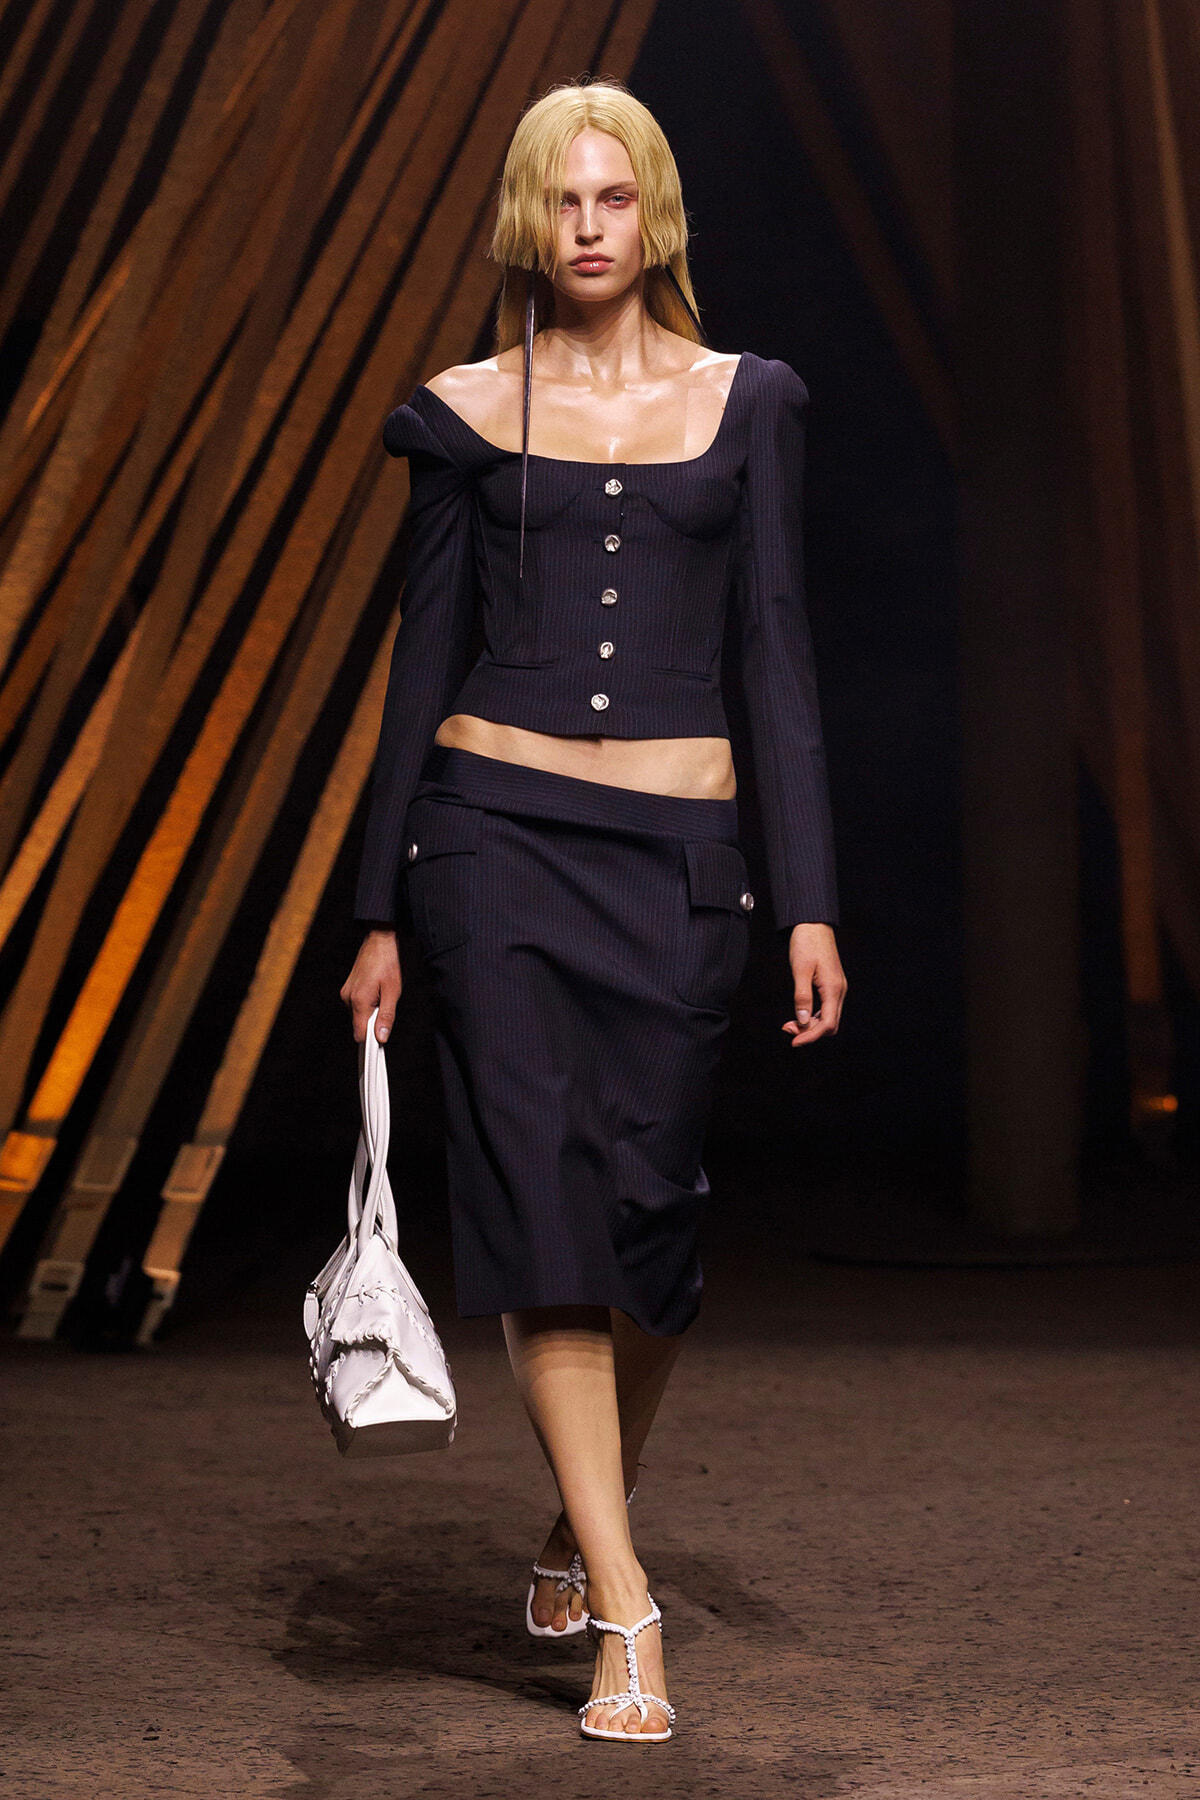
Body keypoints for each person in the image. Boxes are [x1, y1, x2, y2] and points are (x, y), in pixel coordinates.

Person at [340, 78, 846, 1744]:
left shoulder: (747, 401)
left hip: (680, 864)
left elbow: (776, 655)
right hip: (491, 842)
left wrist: (810, 905)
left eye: (614, 199)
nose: (587, 227)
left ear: (658, 217)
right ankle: (625, 1612)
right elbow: (419, 666)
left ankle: (580, 1507)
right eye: (560, 200)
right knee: (543, 1217)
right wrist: (378, 909)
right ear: (522, 218)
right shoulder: (466, 410)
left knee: (654, 1231)